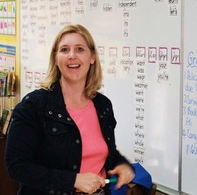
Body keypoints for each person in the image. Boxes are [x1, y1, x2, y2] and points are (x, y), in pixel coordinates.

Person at [5, 24, 135, 195]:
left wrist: (121, 164)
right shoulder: (34, 105)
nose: (72, 56)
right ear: (56, 59)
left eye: (80, 49)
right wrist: (73, 180)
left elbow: (103, 151)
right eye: (64, 50)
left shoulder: (103, 105)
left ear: (92, 57)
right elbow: (16, 166)